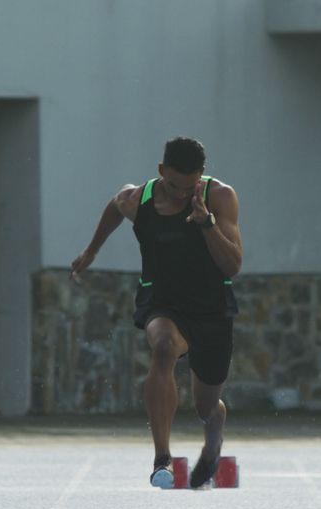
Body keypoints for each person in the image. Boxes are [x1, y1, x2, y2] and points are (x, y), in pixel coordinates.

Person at [70, 137, 243, 489]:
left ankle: (214, 438)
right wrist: (91, 251)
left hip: (211, 308)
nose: (182, 195)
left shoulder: (219, 197)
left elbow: (233, 266)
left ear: (202, 176)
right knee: (163, 347)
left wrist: (206, 224)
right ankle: (162, 458)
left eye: (189, 186)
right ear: (161, 171)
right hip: (162, 301)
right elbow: (115, 206)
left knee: (205, 406)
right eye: (174, 186)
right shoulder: (139, 199)